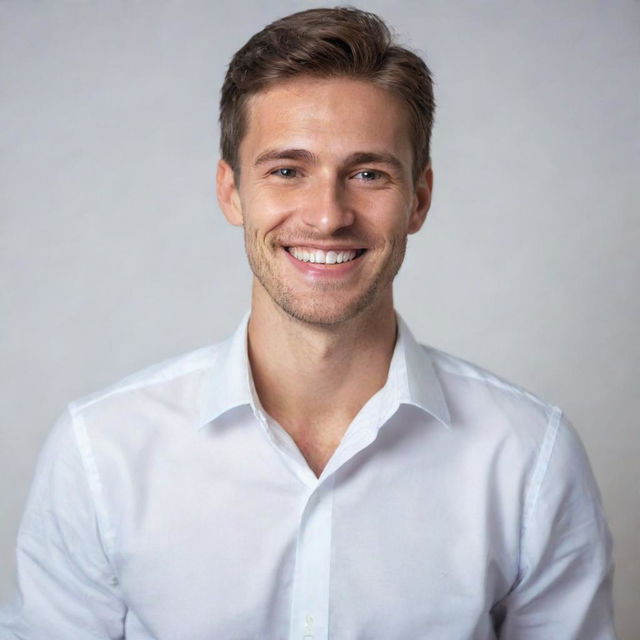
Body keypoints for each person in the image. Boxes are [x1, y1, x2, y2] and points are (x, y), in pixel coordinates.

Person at [0, 7, 615, 640]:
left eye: (368, 173)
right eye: (287, 171)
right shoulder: (101, 452)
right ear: (232, 192)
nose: (327, 217)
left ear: (419, 200)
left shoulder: (529, 457)